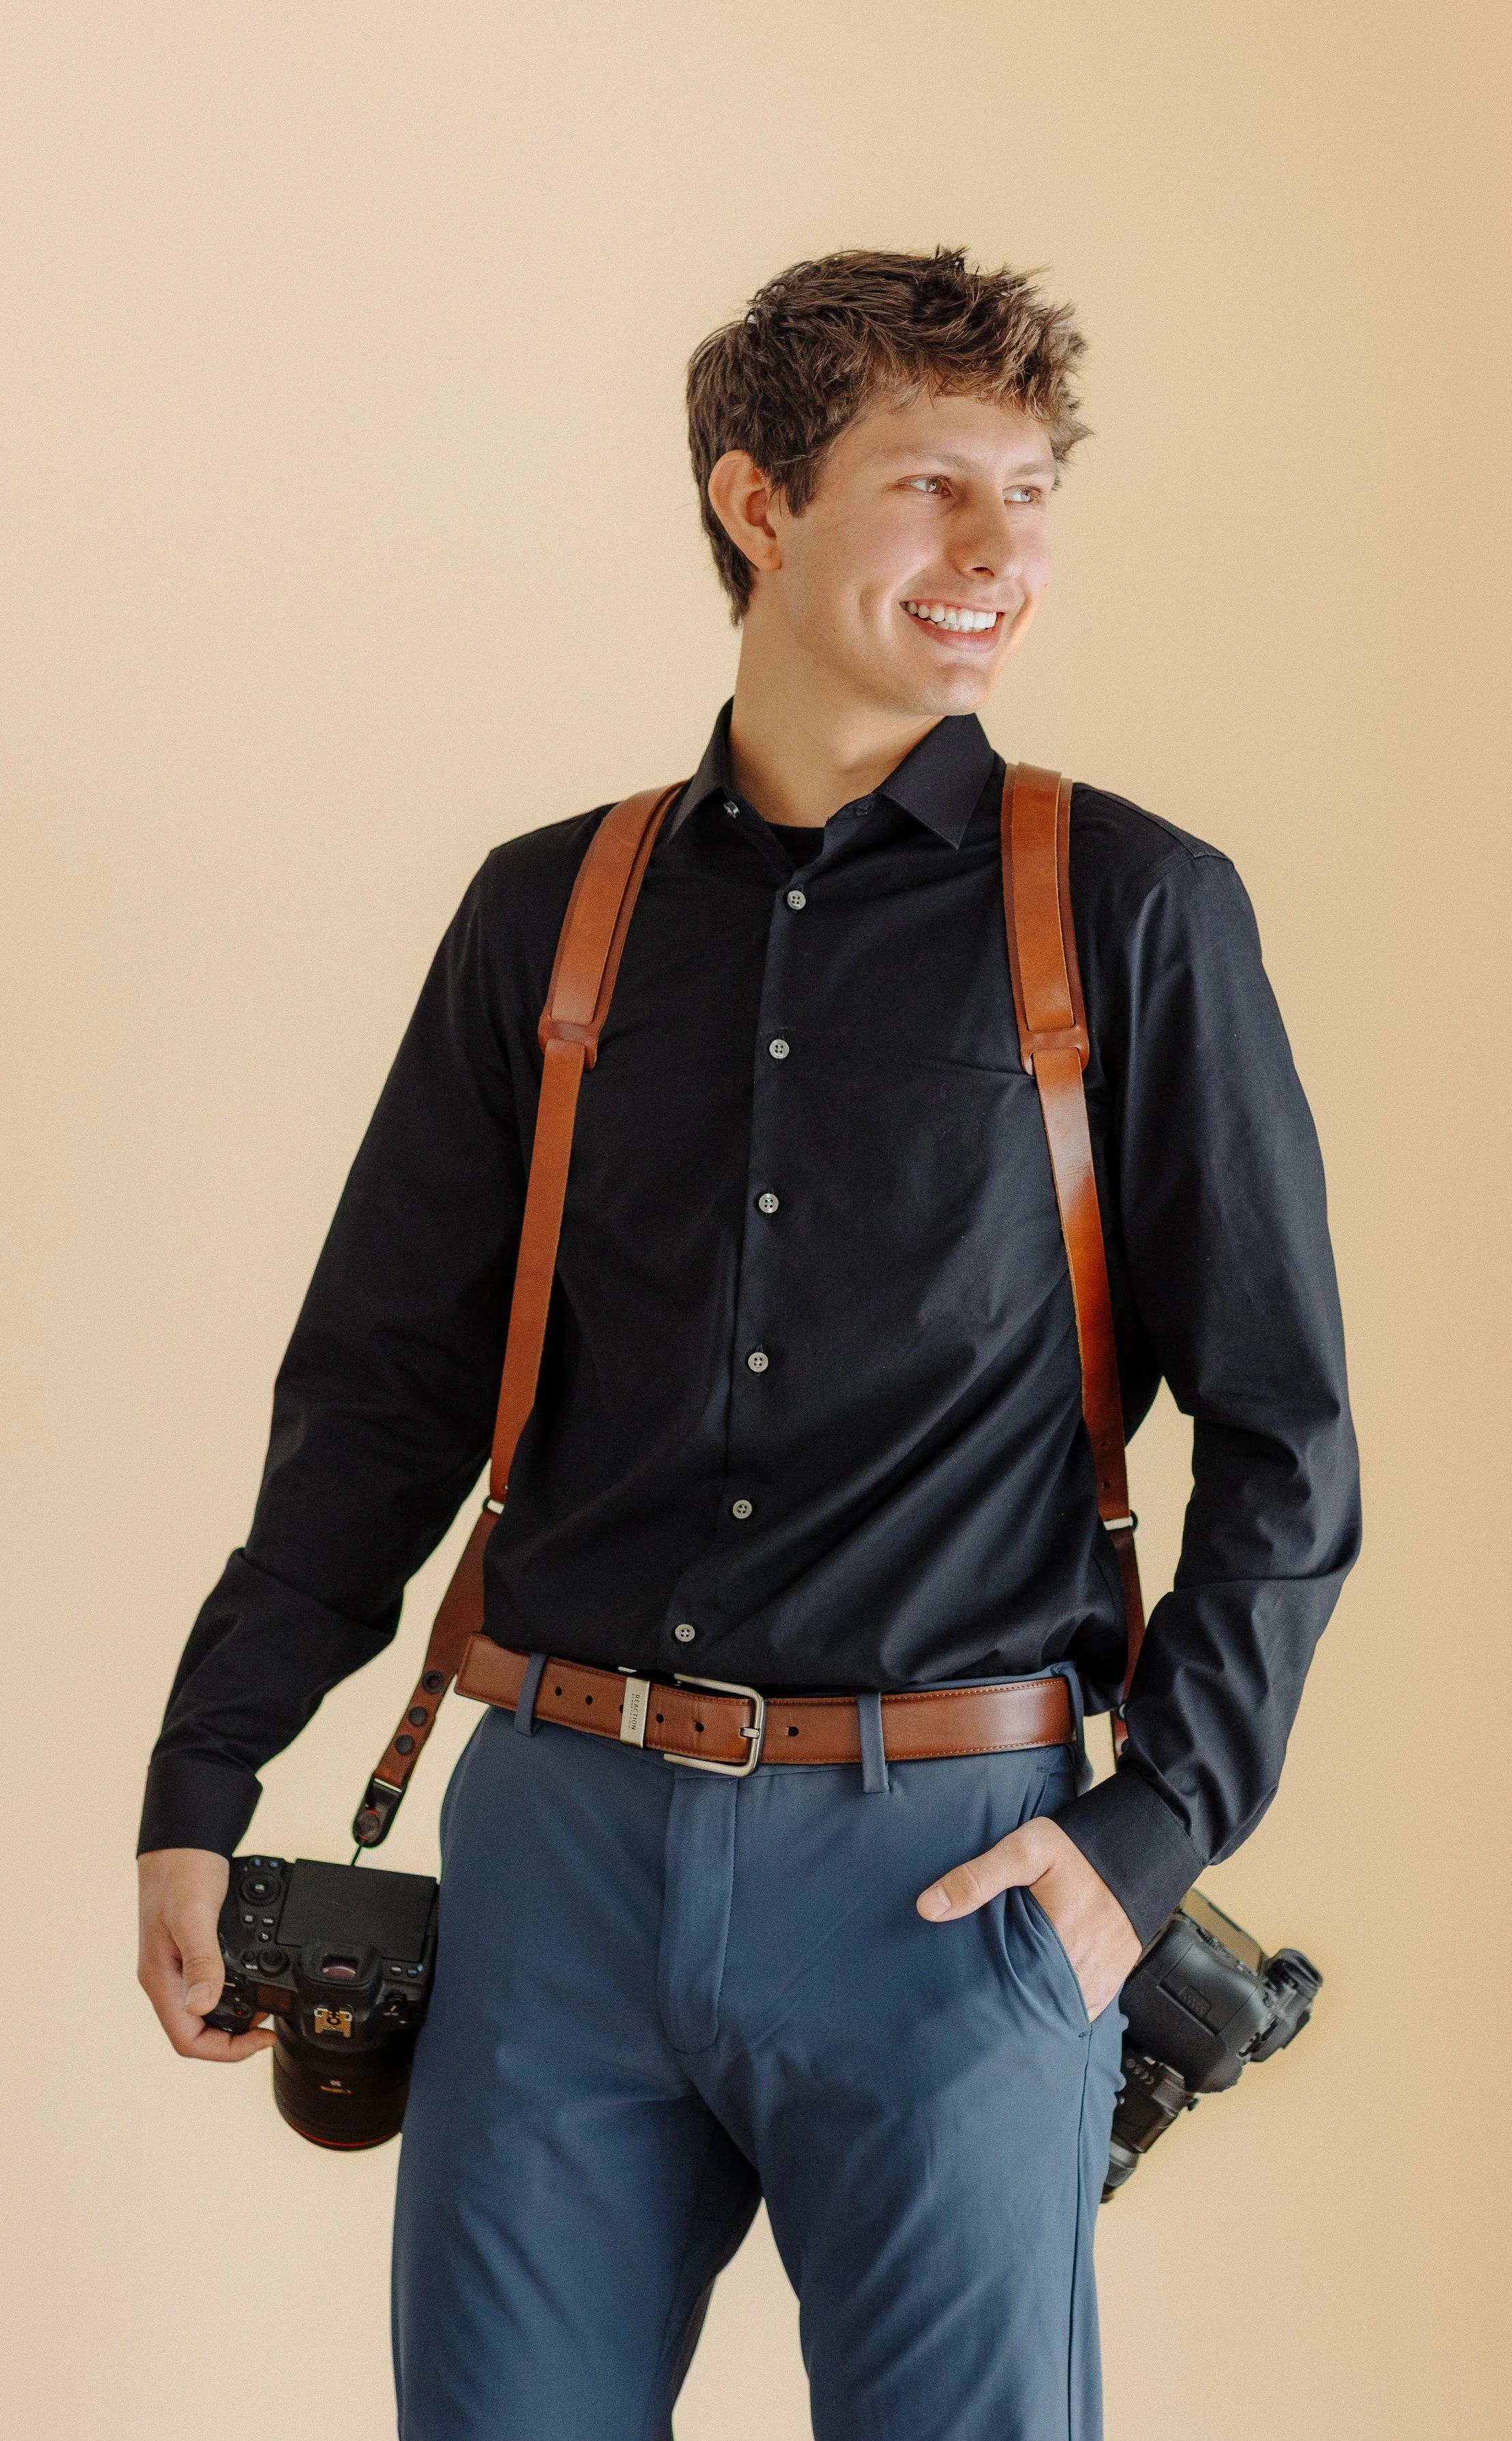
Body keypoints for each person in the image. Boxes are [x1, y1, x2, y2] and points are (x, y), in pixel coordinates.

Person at [137, 247, 1359, 2440]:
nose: (998, 550)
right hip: (558, 1857)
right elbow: (383, 1391)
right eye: (928, 485)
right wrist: (203, 1771)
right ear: (754, 503)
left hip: (954, 1875)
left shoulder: (1134, 912)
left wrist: (1143, 1844)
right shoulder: (552, 913)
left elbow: (1283, 1438)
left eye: (1029, 486)